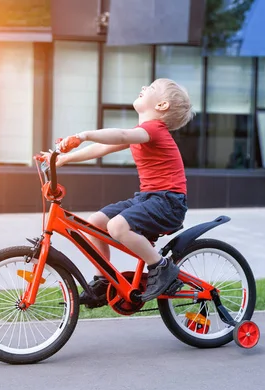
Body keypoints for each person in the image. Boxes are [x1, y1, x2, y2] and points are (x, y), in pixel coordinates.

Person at [49, 78, 194, 308]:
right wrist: (64, 158)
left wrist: (84, 135)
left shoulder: (153, 129)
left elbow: (121, 136)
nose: (144, 88)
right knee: (95, 222)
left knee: (117, 226)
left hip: (168, 202)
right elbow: (103, 148)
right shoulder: (141, 132)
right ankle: (104, 281)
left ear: (161, 105)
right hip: (150, 197)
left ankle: (161, 267)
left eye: (152, 88)